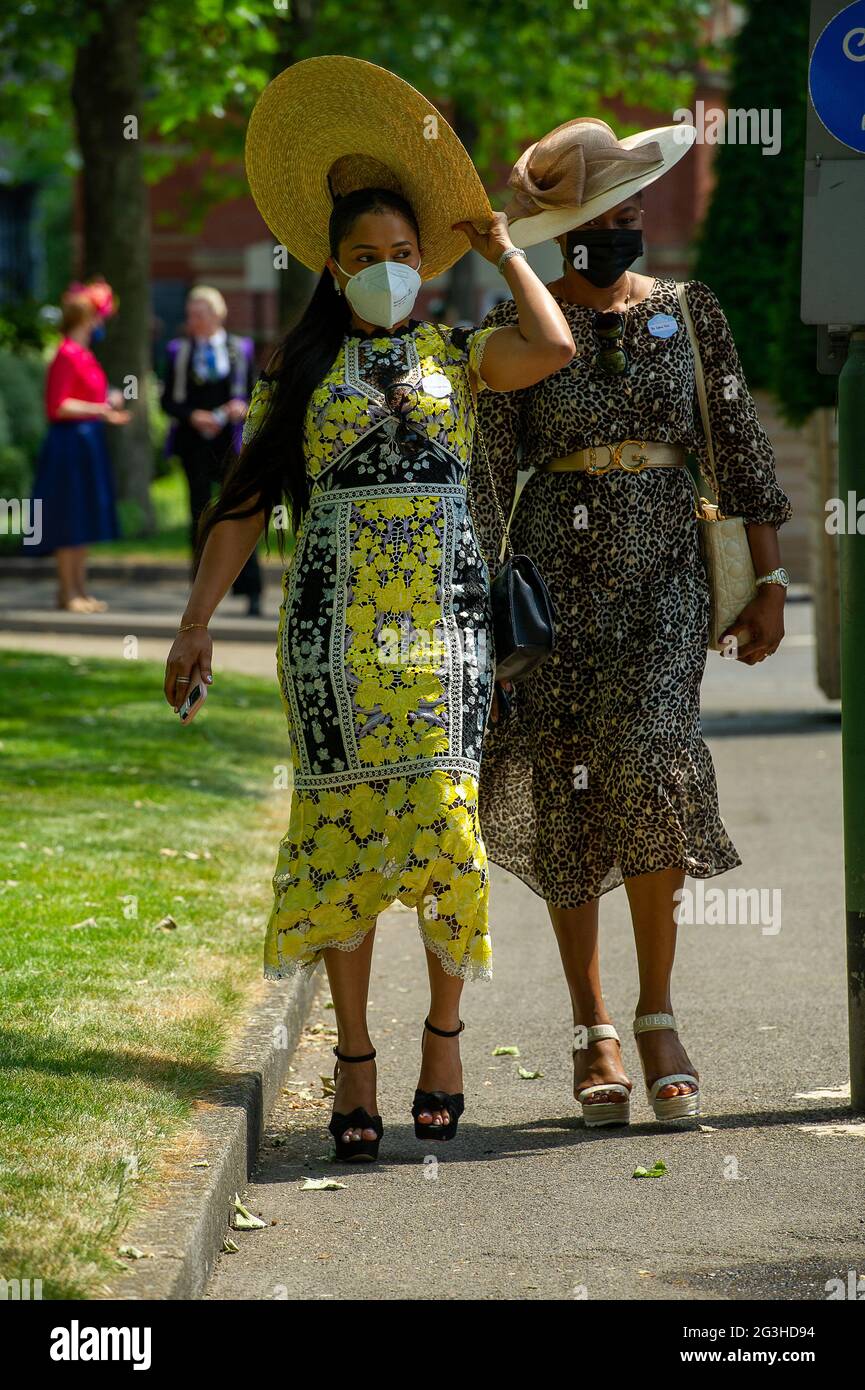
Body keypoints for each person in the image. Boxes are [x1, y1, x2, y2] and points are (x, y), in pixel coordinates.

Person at [162, 56, 574, 1163]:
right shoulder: (296, 372)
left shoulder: (457, 354)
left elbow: (557, 345)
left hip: (446, 634)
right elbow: (244, 504)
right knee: (341, 836)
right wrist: (197, 619)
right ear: (329, 267)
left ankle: (443, 1039)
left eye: (402, 257)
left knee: (444, 824)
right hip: (333, 643)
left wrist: (498, 246)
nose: (387, 273)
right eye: (366, 259)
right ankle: (354, 1056)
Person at [472, 117, 792, 1126]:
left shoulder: (691, 314)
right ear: (564, 226)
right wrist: (482, 606)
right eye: (606, 212)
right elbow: (485, 476)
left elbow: (736, 445)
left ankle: (657, 1013)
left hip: (664, 570)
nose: (628, 224)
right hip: (549, 578)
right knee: (569, 784)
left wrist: (770, 582)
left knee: (652, 758)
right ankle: (591, 1027)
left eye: (635, 207)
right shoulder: (515, 320)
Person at [25, 278, 128, 609]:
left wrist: (107, 400)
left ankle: (80, 590)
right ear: (86, 320)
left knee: (82, 516)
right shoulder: (67, 354)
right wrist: (101, 409)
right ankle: (67, 591)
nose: (101, 323)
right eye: (97, 317)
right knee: (69, 516)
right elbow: (57, 405)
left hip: (86, 442)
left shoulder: (84, 355)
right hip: (68, 444)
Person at [162, 286, 262, 614]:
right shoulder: (179, 351)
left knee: (238, 512)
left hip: (231, 444)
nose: (194, 320)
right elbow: (168, 401)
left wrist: (240, 407)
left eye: (200, 314)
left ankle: (251, 590)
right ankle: (201, 597)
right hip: (195, 444)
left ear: (218, 314)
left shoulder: (240, 349)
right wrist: (193, 415)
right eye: (191, 315)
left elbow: (255, 395)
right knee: (199, 515)